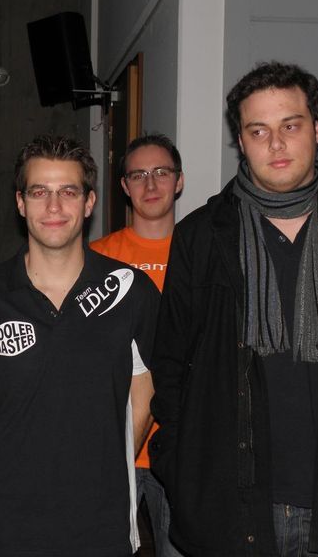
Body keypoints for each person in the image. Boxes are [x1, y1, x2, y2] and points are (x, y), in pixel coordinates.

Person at [150, 62, 318, 557]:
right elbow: (170, 365)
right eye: (259, 131)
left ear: (317, 129)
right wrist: (178, 462)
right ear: (241, 141)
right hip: (232, 509)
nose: (275, 144)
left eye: (290, 126)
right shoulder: (202, 236)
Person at [0, 135, 160, 557]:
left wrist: (102, 463)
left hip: (102, 525)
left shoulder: (131, 291)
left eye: (68, 192)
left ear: (89, 203)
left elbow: (144, 395)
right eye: (39, 192)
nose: (54, 207)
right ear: (20, 203)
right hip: (5, 525)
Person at [90, 133, 184, 557]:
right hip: (112, 445)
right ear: (124, 186)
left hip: (182, 448)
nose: (150, 184)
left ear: (179, 180)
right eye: (138, 175)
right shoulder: (96, 259)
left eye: (161, 172)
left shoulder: (200, 253)